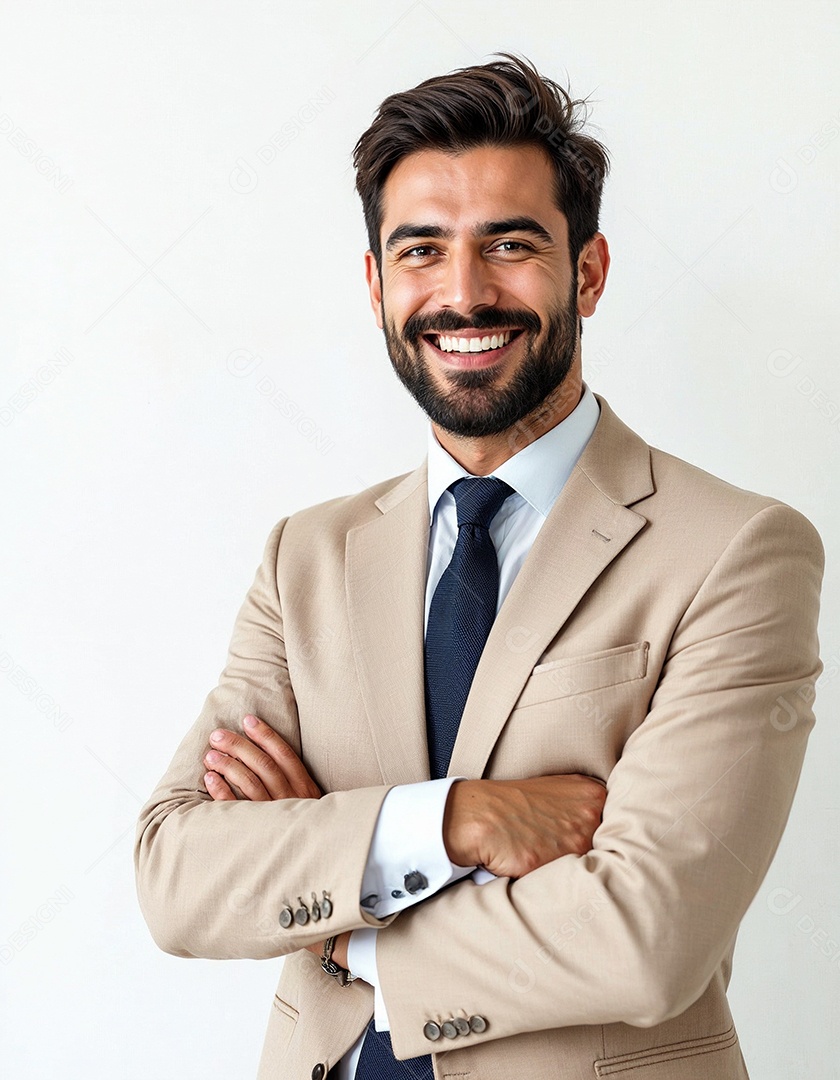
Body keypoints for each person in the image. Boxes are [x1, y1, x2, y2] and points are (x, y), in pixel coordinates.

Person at [134, 53, 824, 1080]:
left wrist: (338, 921)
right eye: (421, 251)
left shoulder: (736, 551)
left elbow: (644, 941)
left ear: (587, 270)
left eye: (509, 245)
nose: (463, 294)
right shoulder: (308, 556)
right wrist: (452, 822)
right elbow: (178, 877)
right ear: (376, 284)